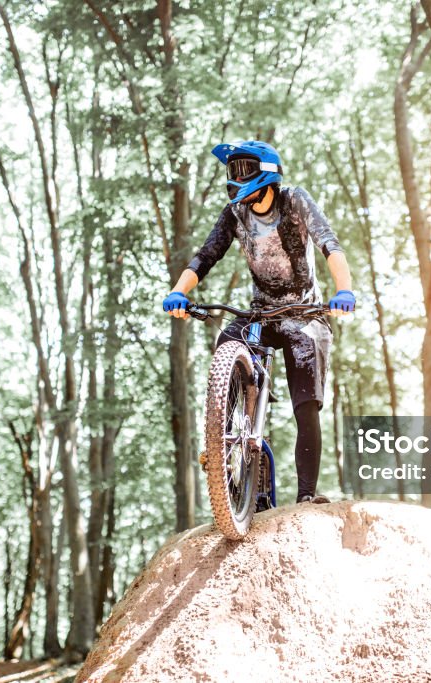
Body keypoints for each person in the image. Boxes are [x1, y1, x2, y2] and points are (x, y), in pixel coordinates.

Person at [161, 140, 355, 504]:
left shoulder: (294, 200)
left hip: (304, 313)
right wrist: (179, 292)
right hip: (261, 312)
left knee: (305, 398)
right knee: (229, 341)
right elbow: (206, 255)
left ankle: (306, 495)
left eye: (240, 169)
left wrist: (344, 291)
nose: (234, 179)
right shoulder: (235, 213)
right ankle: (226, 441)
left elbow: (329, 243)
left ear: (264, 172)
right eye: (231, 171)